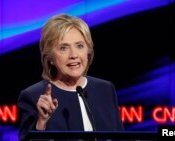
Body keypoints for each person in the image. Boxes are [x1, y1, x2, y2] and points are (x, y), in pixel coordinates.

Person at [17, 13, 124, 141]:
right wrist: (41, 123)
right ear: (50, 57)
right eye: (63, 48)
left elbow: (120, 137)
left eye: (79, 46)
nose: (73, 55)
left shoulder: (105, 89)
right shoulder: (33, 96)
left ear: (88, 51)